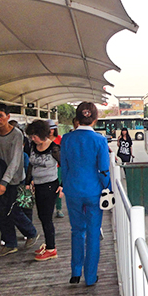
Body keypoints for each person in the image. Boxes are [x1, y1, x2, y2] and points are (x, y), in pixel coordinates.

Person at [60, 102, 110, 286]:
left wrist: (66, 185)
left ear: (77, 119)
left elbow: (64, 167)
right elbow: (104, 169)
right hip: (94, 192)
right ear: (95, 120)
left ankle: (75, 271)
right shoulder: (99, 140)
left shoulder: (66, 139)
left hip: (73, 191)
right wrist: (108, 188)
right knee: (93, 233)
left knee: (77, 231)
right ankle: (90, 277)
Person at [0, 103, 39, 257]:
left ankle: (31, 232)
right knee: (2, 211)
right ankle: (10, 243)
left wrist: (5, 182)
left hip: (16, 179)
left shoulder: (17, 135)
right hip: (0, 175)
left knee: (14, 209)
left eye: (0, 115)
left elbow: (15, 161)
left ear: (8, 117)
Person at [25, 120, 62, 261]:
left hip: (50, 186)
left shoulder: (54, 148)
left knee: (46, 217)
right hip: (38, 186)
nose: (32, 139)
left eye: (34, 136)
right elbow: (30, 165)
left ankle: (51, 248)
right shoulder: (33, 146)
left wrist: (62, 185)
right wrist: (28, 182)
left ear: (42, 134)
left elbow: (65, 164)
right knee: (41, 216)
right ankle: (48, 244)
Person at [47, 119, 64, 218]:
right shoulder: (42, 139)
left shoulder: (59, 139)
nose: (50, 131)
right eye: (48, 129)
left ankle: (59, 208)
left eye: (52, 129)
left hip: (58, 167)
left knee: (58, 188)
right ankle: (49, 208)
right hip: (47, 167)